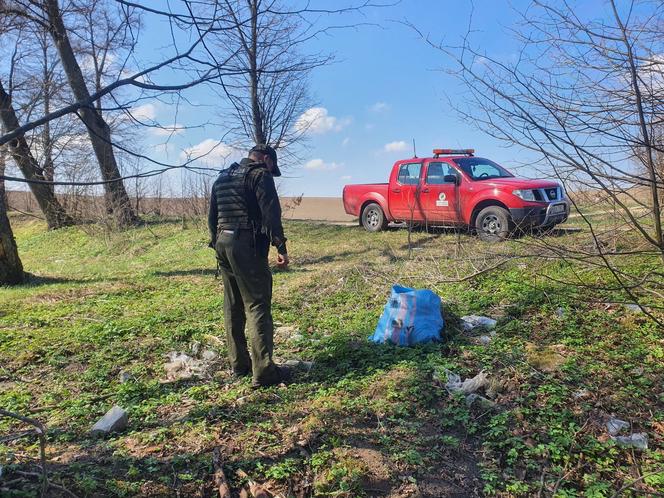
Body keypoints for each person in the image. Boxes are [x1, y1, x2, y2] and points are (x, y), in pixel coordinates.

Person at [208, 144, 291, 388]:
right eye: (272, 166)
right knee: (257, 304)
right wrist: (281, 248)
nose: (271, 170)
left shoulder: (223, 177)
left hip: (223, 242)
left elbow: (212, 217)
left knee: (232, 305)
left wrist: (217, 243)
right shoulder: (260, 175)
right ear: (266, 159)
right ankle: (264, 372)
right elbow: (271, 215)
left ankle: (239, 364)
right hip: (246, 244)